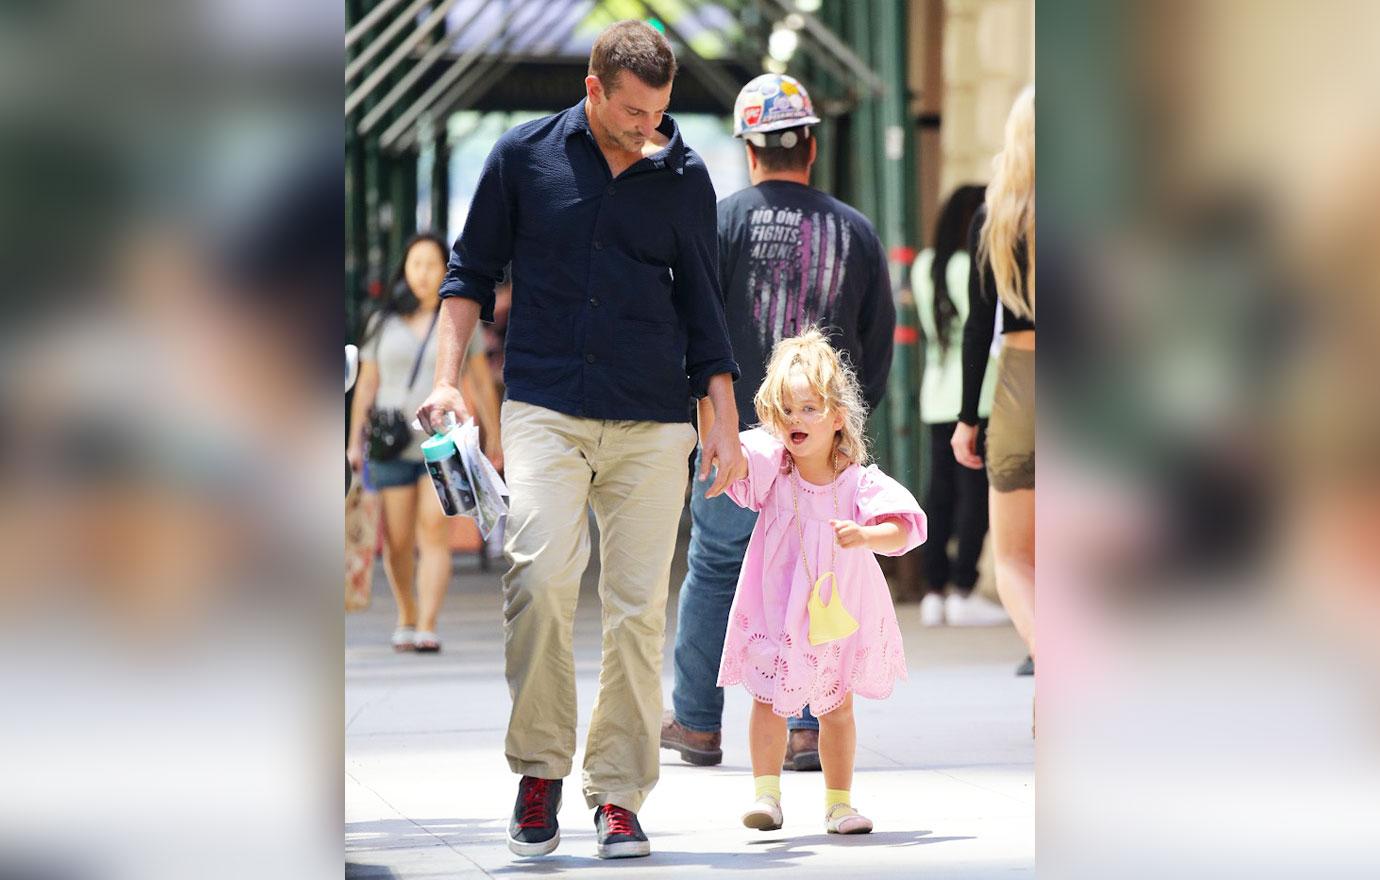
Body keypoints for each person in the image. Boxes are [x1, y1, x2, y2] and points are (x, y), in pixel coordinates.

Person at [414, 20, 743, 860]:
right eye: (633, 111)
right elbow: (468, 278)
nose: (648, 128)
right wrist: (448, 377)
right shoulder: (523, 158)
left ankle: (621, 792)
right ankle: (539, 770)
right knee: (539, 578)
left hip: (653, 419)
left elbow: (706, 309)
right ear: (593, 90)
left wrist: (725, 426)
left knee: (638, 612)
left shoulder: (682, 175)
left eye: (660, 112)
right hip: (548, 407)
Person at [662, 73, 896, 775]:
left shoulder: (722, 223)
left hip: (742, 443)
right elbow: (877, 347)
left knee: (717, 567)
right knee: (816, 576)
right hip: (825, 449)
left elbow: (692, 332)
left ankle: (699, 724)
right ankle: (804, 730)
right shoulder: (854, 232)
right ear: (813, 148)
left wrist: (709, 424)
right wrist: (838, 438)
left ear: (749, 150)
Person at [717, 328, 926, 835]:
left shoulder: (857, 480)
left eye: (809, 408)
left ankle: (839, 803)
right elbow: (741, 459)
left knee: (836, 705)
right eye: (785, 409)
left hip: (837, 614)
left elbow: (903, 523)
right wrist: (713, 415)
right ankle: (766, 795)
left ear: (837, 418)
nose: (796, 420)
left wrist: (867, 533)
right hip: (773, 605)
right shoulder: (773, 467)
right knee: (766, 699)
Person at [347, 233, 501, 653]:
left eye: (432, 265)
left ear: (446, 269)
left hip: (443, 443)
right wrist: (352, 442)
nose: (424, 274)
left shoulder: (459, 320)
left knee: (434, 532)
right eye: (416, 264)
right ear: (404, 270)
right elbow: (366, 385)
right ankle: (406, 614)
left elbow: (481, 384)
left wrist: (495, 438)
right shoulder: (382, 323)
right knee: (397, 541)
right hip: (391, 445)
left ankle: (428, 624)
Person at [951, 86, 1036, 668]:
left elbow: (978, 326)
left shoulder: (995, 214)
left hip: (1021, 386)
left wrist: (967, 418)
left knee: (1015, 562)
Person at [912, 185, 1011, 627]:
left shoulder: (923, 265)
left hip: (935, 393)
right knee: (974, 496)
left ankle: (933, 589)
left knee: (940, 494)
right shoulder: (966, 265)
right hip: (977, 391)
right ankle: (963, 588)